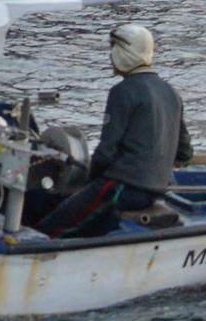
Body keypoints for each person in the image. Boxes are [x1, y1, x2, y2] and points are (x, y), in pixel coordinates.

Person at [36, 24, 193, 239]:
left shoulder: (122, 92)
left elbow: (105, 153)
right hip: (156, 189)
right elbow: (184, 153)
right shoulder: (171, 92)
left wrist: (87, 182)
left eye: (112, 49)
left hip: (123, 188)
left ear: (124, 53)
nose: (110, 56)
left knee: (51, 226)